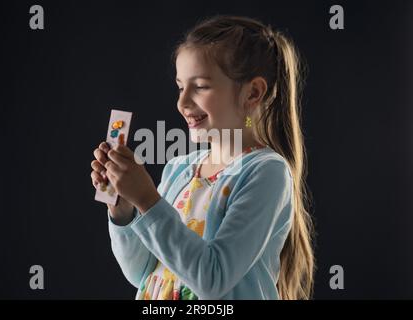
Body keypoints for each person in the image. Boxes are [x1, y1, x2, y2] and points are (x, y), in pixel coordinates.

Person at [90, 15, 315, 300]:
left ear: (253, 93)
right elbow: (142, 272)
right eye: (180, 87)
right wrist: (125, 210)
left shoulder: (266, 172)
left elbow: (212, 279)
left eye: (200, 86)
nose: (182, 103)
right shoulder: (178, 169)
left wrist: (147, 200)